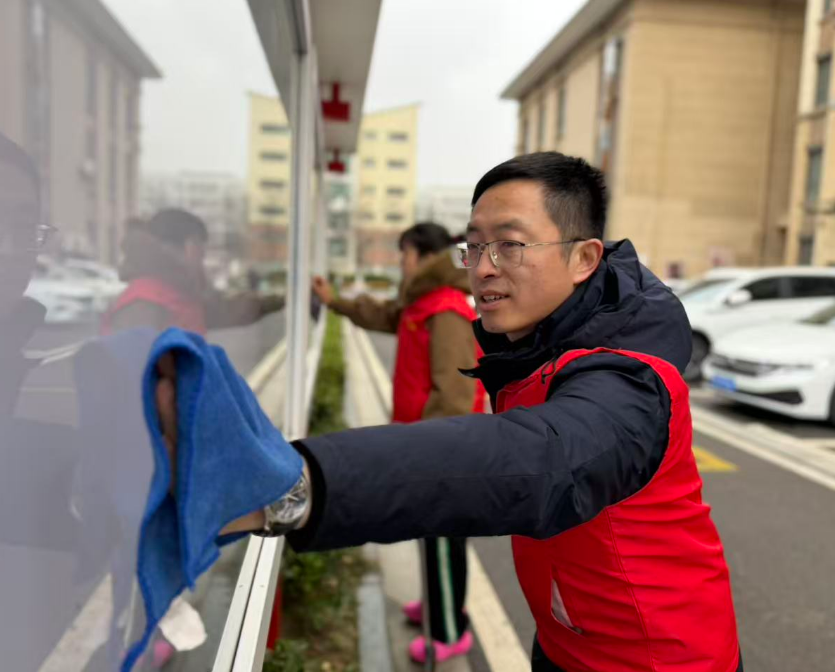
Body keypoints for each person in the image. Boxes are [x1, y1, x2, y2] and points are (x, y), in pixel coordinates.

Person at [157, 152, 742, 672]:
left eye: (510, 244)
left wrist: (295, 482)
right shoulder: (538, 344)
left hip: (658, 658)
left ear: (584, 257)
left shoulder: (631, 382)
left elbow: (541, 459)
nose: (483, 267)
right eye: (475, 245)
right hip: (568, 642)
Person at [312, 221, 485, 663]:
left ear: (425, 256)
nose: (399, 262)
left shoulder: (445, 309)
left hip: (441, 452)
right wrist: (336, 303)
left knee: (444, 541)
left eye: (404, 253)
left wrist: (430, 454)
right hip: (424, 443)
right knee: (429, 536)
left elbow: (454, 393)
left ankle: (448, 630)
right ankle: (435, 607)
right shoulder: (421, 303)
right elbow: (385, 316)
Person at [103, 207, 283, 336]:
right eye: (197, 244)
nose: (203, 253)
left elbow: (229, 310)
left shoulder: (179, 293)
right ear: (172, 247)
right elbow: (134, 379)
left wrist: (285, 298)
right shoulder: (144, 304)